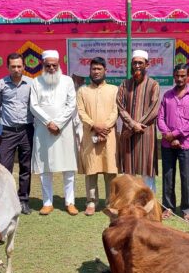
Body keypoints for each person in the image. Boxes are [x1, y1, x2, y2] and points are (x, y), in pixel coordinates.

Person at [30, 50, 79, 216]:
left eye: (54, 65)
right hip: (43, 130)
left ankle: (70, 202)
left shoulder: (67, 81)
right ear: (43, 65)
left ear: (59, 65)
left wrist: (57, 123)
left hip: (63, 130)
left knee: (69, 167)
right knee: (45, 167)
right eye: (48, 65)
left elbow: (71, 104)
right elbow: (33, 106)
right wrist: (48, 122)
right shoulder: (36, 82)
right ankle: (47, 202)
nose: (51, 68)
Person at [157, 63, 189, 220]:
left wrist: (175, 134)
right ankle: (168, 207)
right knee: (168, 176)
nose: (180, 78)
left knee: (186, 176)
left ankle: (188, 209)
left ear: (188, 76)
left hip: (186, 144)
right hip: (167, 143)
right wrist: (168, 135)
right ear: (173, 76)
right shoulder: (167, 95)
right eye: (177, 75)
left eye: (183, 75)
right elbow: (160, 118)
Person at [76, 57, 118, 216]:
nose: (96, 72)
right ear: (90, 71)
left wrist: (105, 127)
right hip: (90, 135)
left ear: (105, 71)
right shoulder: (83, 91)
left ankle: (111, 202)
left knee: (110, 169)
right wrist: (94, 125)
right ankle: (91, 202)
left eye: (99, 69)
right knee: (91, 170)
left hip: (109, 135)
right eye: (93, 69)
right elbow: (80, 112)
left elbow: (116, 111)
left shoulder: (114, 90)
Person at [0, 53, 34, 214]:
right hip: (8, 131)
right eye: (13, 66)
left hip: (27, 130)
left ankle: (23, 200)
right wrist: (7, 119)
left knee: (26, 167)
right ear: (8, 67)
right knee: (5, 168)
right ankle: (5, 201)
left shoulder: (31, 84)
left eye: (19, 66)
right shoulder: (0, 84)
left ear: (24, 66)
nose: (16, 69)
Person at [117, 49, 160, 192]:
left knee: (146, 170)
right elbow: (120, 105)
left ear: (147, 65)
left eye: (140, 63)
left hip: (145, 133)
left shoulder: (153, 85)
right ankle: (130, 203)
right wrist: (132, 124)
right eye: (135, 63)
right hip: (129, 134)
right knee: (129, 170)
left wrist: (137, 125)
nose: (137, 66)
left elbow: (153, 108)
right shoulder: (124, 84)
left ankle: (148, 204)